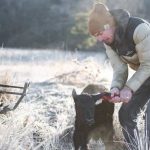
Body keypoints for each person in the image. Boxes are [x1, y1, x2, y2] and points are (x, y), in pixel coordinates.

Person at [88, 2, 150, 149]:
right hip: (146, 75)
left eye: (99, 33)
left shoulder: (139, 29)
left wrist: (128, 88)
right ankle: (136, 147)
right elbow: (120, 69)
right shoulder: (108, 42)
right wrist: (116, 88)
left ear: (108, 25)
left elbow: (148, 64)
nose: (99, 39)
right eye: (96, 36)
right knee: (126, 114)